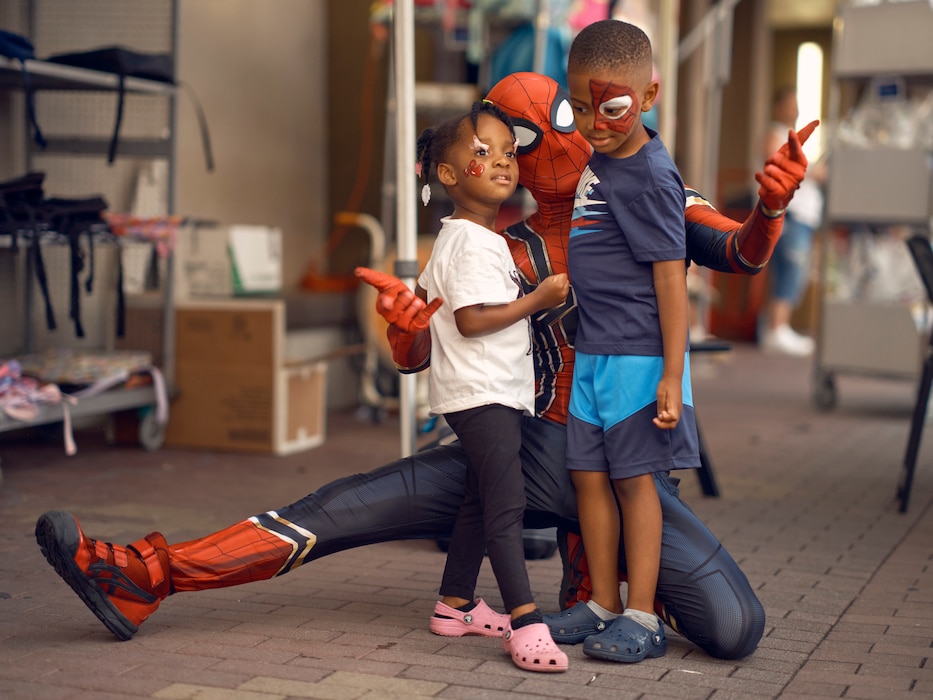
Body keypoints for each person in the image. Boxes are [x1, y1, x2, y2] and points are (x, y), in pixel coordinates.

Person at [35, 71, 816, 663]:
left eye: (533, 132)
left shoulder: (647, 195)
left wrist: (770, 209)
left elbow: (736, 252)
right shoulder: (496, 247)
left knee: (733, 625)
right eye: (502, 141)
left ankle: (611, 588)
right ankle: (142, 575)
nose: (523, 153)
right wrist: (406, 332)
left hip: (626, 466)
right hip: (525, 444)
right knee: (336, 509)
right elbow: (427, 349)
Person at [534, 19, 699, 664]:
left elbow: (671, 281)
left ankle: (643, 614)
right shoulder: (601, 158)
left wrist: (671, 373)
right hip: (597, 353)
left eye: (611, 107)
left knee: (635, 484)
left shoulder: (655, 176)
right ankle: (601, 600)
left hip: (639, 358)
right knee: (588, 478)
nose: (595, 122)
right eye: (579, 108)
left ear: (650, 96)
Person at [406, 100, 570, 672]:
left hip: (488, 390)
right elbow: (472, 319)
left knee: (479, 499)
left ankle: (454, 605)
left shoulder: (475, 237)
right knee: (507, 505)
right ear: (448, 175)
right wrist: (539, 300)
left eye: (508, 152)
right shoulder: (471, 243)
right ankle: (526, 622)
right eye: (482, 153)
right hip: (482, 393)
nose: (502, 162)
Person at [759, 85, 826, 356]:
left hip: (801, 214)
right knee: (790, 269)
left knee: (791, 271)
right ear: (779, 106)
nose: (795, 109)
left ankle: (775, 326)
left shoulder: (790, 137)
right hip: (790, 213)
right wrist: (815, 172)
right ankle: (777, 328)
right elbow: (779, 165)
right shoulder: (776, 134)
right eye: (790, 103)